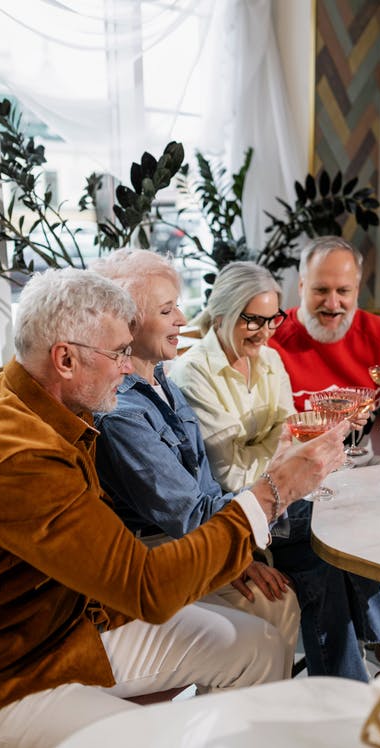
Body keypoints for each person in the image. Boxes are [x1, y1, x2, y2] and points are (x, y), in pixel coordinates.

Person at [0, 266, 349, 748]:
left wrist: (223, 546)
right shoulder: (22, 455)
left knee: (258, 645)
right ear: (65, 359)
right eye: (117, 353)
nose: (125, 367)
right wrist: (272, 491)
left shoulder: (37, 399)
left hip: (76, 620)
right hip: (15, 671)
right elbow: (146, 587)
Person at [170, 261, 380, 683]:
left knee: (340, 540)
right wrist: (281, 449)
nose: (264, 331)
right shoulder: (192, 372)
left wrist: (278, 447)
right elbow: (228, 468)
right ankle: (378, 654)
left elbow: (289, 433)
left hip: (281, 495)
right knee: (332, 543)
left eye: (272, 318)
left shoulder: (270, 359)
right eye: (251, 320)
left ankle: (348, 683)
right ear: (221, 315)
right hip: (239, 508)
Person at [92, 249, 300, 678]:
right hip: (153, 556)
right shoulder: (121, 411)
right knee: (271, 610)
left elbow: (205, 488)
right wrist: (285, 482)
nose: (183, 320)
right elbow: (189, 513)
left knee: (279, 600)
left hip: (190, 541)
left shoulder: (162, 381)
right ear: (126, 325)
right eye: (167, 310)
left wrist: (235, 554)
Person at [269, 236, 380, 465]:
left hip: (360, 467)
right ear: (301, 287)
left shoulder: (379, 332)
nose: (332, 304)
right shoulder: (271, 335)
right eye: (321, 290)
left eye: (343, 291)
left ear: (357, 290)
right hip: (294, 469)